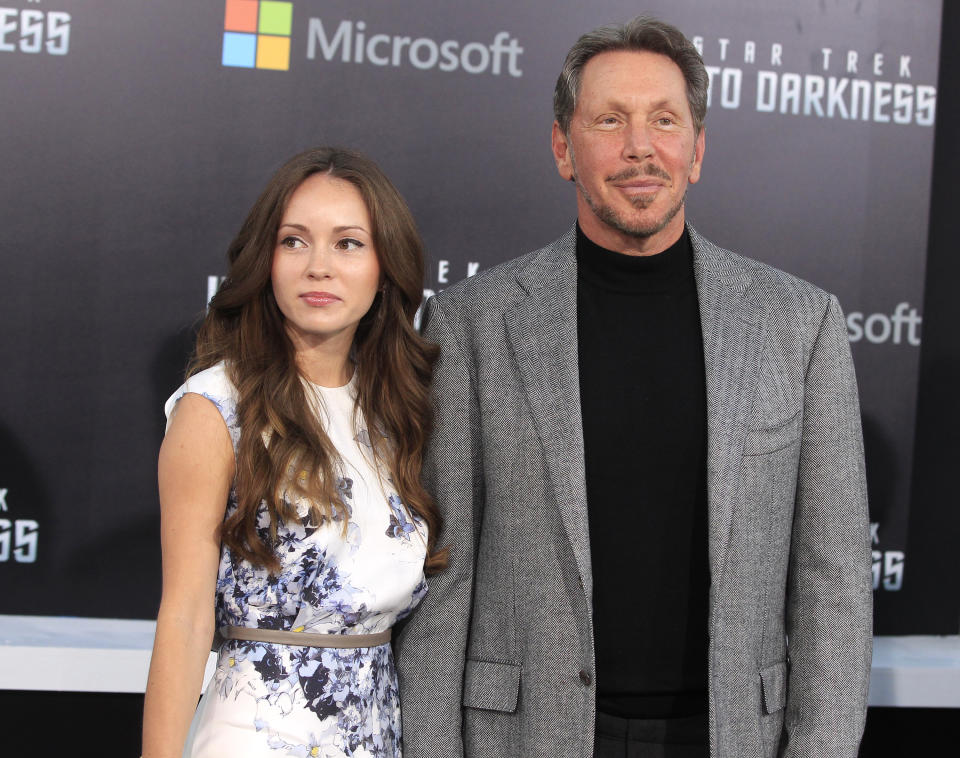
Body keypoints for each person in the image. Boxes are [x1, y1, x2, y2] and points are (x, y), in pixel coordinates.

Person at [396, 16, 872, 758]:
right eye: (609, 120)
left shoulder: (799, 325)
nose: (640, 147)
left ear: (697, 150)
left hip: (732, 737)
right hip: (529, 738)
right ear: (563, 146)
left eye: (664, 120)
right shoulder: (471, 326)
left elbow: (834, 584)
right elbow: (443, 578)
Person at [142, 147, 444, 758]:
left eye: (349, 243)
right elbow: (185, 619)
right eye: (295, 241)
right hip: (255, 736)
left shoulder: (394, 414)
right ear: (267, 260)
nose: (319, 268)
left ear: (385, 267)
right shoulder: (215, 407)